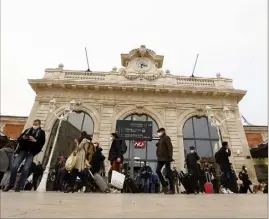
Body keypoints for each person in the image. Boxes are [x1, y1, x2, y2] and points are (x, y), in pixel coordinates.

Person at [3, 119, 45, 192]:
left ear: (39, 125)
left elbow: (42, 143)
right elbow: (19, 139)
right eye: (34, 124)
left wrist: (35, 140)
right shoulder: (27, 130)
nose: (34, 125)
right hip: (23, 150)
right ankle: (10, 184)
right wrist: (23, 138)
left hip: (31, 152)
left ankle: (19, 186)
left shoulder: (41, 133)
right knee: (14, 166)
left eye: (36, 124)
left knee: (26, 169)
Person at [155, 128, 174, 194]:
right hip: (160, 158)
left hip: (166, 158)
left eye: (159, 132)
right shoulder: (161, 139)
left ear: (163, 131)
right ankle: (164, 186)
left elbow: (170, 147)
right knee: (157, 170)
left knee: (168, 173)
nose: (158, 133)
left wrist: (170, 156)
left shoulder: (166, 137)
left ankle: (172, 189)